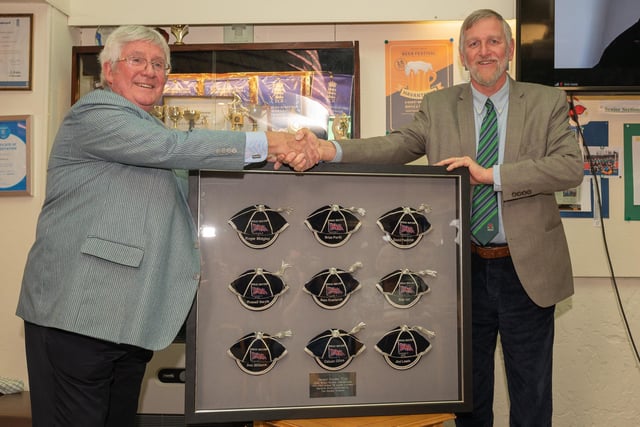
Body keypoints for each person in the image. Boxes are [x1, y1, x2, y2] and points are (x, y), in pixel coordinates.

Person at [16, 25, 318, 427]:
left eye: (159, 63)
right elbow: (174, 148)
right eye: (137, 60)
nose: (150, 70)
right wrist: (270, 143)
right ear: (109, 71)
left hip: (129, 321)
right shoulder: (95, 114)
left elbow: (189, 189)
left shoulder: (151, 130)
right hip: (78, 315)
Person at [306, 9, 584, 427]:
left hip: (528, 272)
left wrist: (492, 176)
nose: (484, 51)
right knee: (467, 395)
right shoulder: (437, 105)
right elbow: (396, 146)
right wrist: (333, 151)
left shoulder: (545, 101)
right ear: (462, 55)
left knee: (532, 393)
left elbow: (568, 167)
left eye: (493, 41)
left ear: (508, 49)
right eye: (474, 44)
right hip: (460, 271)